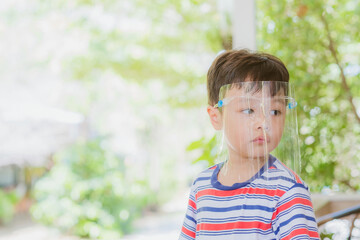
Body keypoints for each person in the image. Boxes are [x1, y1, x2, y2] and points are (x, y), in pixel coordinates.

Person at [179, 49, 319, 240]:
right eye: (248, 110)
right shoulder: (201, 187)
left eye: (275, 111)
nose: (264, 122)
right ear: (215, 116)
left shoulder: (287, 191)